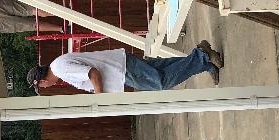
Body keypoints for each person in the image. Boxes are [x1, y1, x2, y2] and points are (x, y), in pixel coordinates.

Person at [25, 42, 224, 94]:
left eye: (43, 87)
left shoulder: (61, 69)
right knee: (163, 68)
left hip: (122, 71)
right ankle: (205, 64)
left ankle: (202, 54)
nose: (47, 87)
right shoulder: (59, 65)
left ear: (42, 81)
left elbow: (92, 73)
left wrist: (100, 96)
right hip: (121, 66)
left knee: (161, 82)